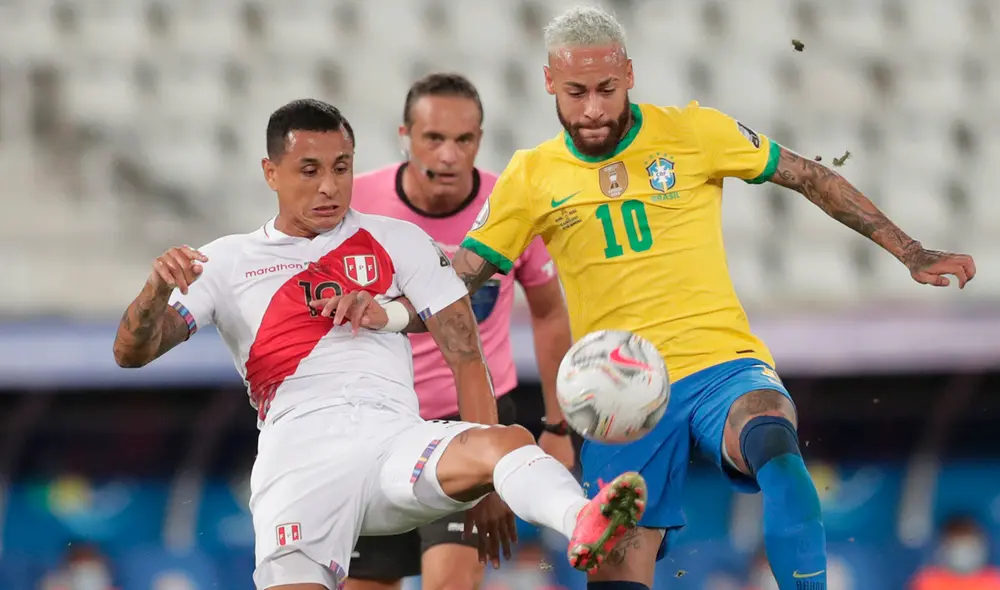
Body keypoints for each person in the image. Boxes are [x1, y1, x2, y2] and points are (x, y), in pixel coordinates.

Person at [310, 7, 978, 590]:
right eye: (577, 91)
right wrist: (393, 312)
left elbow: (808, 176)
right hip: (616, 395)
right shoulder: (531, 177)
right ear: (550, 84)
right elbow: (465, 275)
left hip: (719, 361)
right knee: (617, 566)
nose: (594, 107)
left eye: (606, 88)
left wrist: (909, 250)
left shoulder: (694, 132)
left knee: (775, 441)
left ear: (629, 73)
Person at [110, 98, 648, 590]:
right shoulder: (225, 261)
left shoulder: (399, 241)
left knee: (505, 440)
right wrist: (156, 290)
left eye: (341, 167)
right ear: (270, 173)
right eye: (310, 170)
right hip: (299, 460)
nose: (329, 186)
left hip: (395, 440)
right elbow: (131, 353)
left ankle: (583, 520)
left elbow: (465, 353)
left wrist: (487, 487)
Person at [348, 73, 575, 590]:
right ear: (404, 135)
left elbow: (549, 312)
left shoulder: (514, 204)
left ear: (480, 138)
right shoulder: (354, 206)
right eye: (434, 138)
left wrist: (558, 427)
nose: (450, 155)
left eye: (464, 140)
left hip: (475, 421)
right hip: (381, 425)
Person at [909, 515, 1000, 590]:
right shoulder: (927, 581)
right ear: (943, 551)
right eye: (958, 550)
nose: (965, 557)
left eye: (970, 549)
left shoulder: (995, 580)